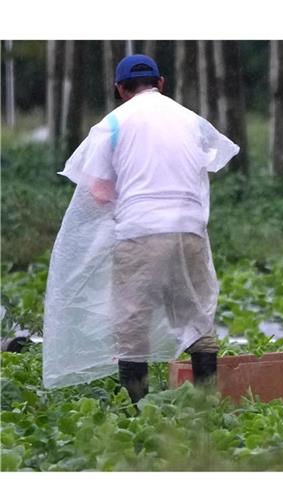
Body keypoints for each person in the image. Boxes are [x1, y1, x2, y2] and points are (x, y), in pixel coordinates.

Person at [42, 54, 239, 402]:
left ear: (120, 89)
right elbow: (208, 161)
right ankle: (207, 405)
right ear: (161, 83)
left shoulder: (115, 123)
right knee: (196, 314)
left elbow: (99, 190)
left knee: (132, 322)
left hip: (140, 231)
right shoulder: (190, 120)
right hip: (189, 230)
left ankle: (138, 411)